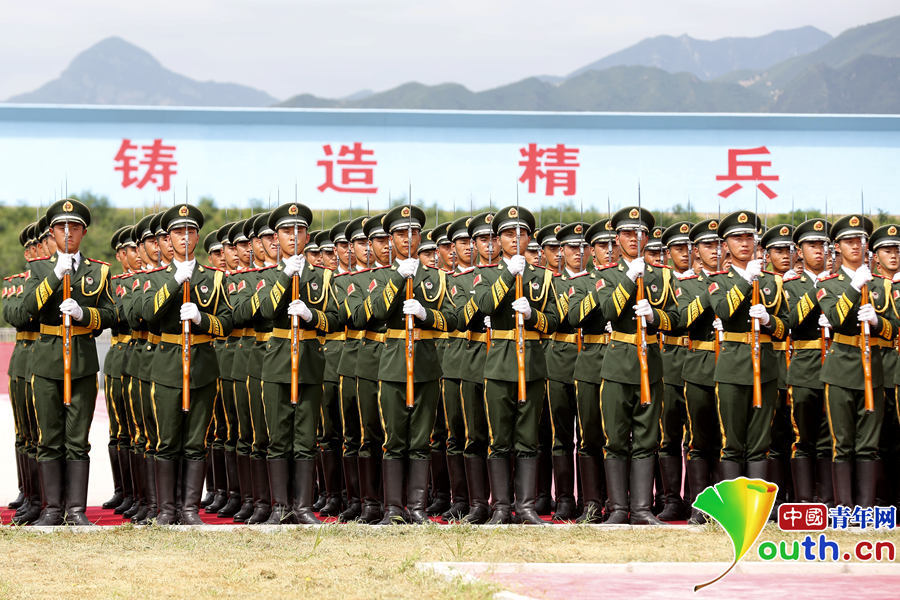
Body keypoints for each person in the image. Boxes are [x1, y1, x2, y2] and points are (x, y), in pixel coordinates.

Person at [577, 206, 677, 525]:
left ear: (648, 237)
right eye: (627, 234)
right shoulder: (604, 275)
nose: (635, 238)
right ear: (616, 239)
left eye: (641, 233)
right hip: (618, 362)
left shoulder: (663, 274)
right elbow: (607, 310)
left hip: (651, 363)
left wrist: (654, 317)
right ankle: (619, 508)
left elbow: (675, 319)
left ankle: (643, 509)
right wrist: (628, 277)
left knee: (648, 437)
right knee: (616, 438)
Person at [358, 205, 458, 524]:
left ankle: (416, 508)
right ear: (391, 239)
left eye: (413, 233)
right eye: (401, 234)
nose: (407, 239)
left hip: (426, 364)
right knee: (394, 440)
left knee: (421, 440)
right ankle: (392, 509)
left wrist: (428, 315)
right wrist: (397, 281)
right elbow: (371, 312)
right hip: (393, 365)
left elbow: (454, 318)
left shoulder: (436, 278)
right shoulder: (381, 276)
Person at [22, 198, 115, 526]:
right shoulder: (37, 270)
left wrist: (83, 314)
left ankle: (75, 510)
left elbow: (111, 314)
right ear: (52, 232)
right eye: (61, 227)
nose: (68, 232)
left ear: (84, 232)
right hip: (47, 362)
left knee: (77, 440)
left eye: (74, 227)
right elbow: (21, 312)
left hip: (82, 363)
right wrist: (53, 279)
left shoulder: (99, 272)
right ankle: (51, 509)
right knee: (49, 438)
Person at [465, 205, 560, 524]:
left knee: (527, 438)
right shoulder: (486, 274)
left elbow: (556, 322)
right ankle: (502, 507)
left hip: (531, 363)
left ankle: (527, 506)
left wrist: (535, 316)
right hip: (499, 364)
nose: (514, 238)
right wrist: (508, 275)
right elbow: (484, 306)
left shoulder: (544, 277)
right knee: (499, 439)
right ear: (498, 239)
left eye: (520, 233)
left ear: (529, 237)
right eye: (508, 234)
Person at [141, 203, 233, 525]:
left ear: (197, 237)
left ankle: (190, 509)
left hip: (203, 366)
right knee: (167, 440)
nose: (184, 237)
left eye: (190, 231)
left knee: (196, 441)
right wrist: (173, 283)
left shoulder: (215, 279)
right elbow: (148, 316)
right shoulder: (155, 278)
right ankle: (167, 510)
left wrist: (202, 319)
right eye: (178, 232)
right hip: (167, 366)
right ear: (167, 238)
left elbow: (227, 324)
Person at [817, 214, 898, 508]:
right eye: (849, 241)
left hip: (872, 368)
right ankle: (844, 508)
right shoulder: (828, 283)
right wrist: (853, 288)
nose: (855, 246)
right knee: (842, 444)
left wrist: (878, 323)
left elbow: (894, 328)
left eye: (860, 241)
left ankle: (864, 509)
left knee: (868, 445)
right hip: (840, 369)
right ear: (837, 246)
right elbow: (836, 319)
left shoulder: (884, 285)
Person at [708, 211, 788, 481]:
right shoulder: (718, 280)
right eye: (737, 238)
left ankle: (756, 506)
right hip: (732, 367)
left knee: (759, 443)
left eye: (749, 237)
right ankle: (733, 506)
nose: (744, 243)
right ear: (725, 245)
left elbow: (784, 328)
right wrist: (744, 282)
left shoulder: (773, 281)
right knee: (732, 443)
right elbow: (723, 310)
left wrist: (768, 319)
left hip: (765, 368)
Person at [783, 218, 834, 505]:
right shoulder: (791, 284)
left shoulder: (842, 283)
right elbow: (790, 320)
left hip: (835, 362)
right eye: (812, 245)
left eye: (822, 245)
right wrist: (818, 291)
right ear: (799, 251)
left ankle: (826, 499)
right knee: (802, 436)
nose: (818, 250)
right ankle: (804, 500)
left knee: (829, 437)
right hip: (804, 363)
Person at [656, 220, 695, 522]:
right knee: (667, 435)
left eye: (689, 247)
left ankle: (696, 498)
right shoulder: (662, 281)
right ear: (667, 252)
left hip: (697, 359)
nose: (686, 252)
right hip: (669, 360)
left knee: (696, 436)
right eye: (679, 248)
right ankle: (670, 498)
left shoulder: (706, 280)